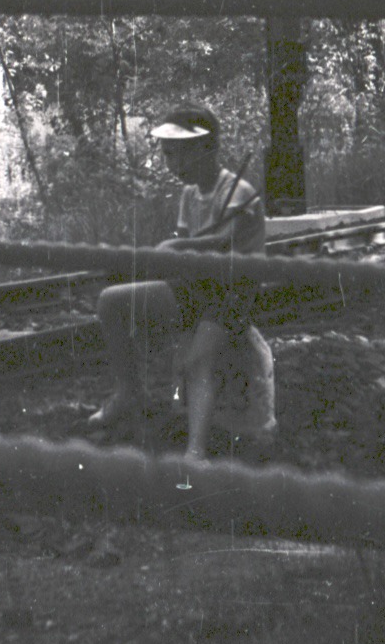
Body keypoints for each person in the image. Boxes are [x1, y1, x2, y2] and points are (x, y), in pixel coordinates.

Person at [87, 103, 277, 460]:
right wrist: (158, 263)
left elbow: (220, 242)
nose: (174, 164)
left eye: (181, 154)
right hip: (197, 287)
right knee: (113, 301)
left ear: (209, 149)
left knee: (197, 358)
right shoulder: (190, 195)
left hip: (233, 294)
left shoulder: (238, 191)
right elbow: (187, 254)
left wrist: (177, 246)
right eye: (168, 154)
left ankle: (195, 450)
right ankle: (130, 392)